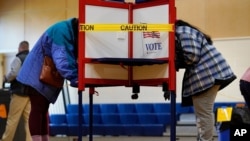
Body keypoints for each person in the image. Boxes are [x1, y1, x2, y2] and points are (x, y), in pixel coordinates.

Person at [16, 18, 78, 141]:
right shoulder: (62, 30)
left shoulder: (67, 30)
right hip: (36, 75)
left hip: (41, 75)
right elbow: (63, 59)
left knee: (43, 110)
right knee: (38, 109)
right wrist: (75, 77)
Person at [175, 19, 236, 141]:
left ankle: (206, 139)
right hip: (210, 74)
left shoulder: (181, 32)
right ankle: (205, 138)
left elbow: (191, 56)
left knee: (204, 113)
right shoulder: (185, 31)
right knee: (203, 113)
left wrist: (175, 62)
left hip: (207, 75)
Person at [1, 41, 31, 141]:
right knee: (28, 120)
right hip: (30, 94)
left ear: (20, 48)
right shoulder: (32, 59)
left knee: (12, 119)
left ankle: (6, 140)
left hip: (19, 93)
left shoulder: (18, 58)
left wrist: (6, 78)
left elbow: (14, 73)